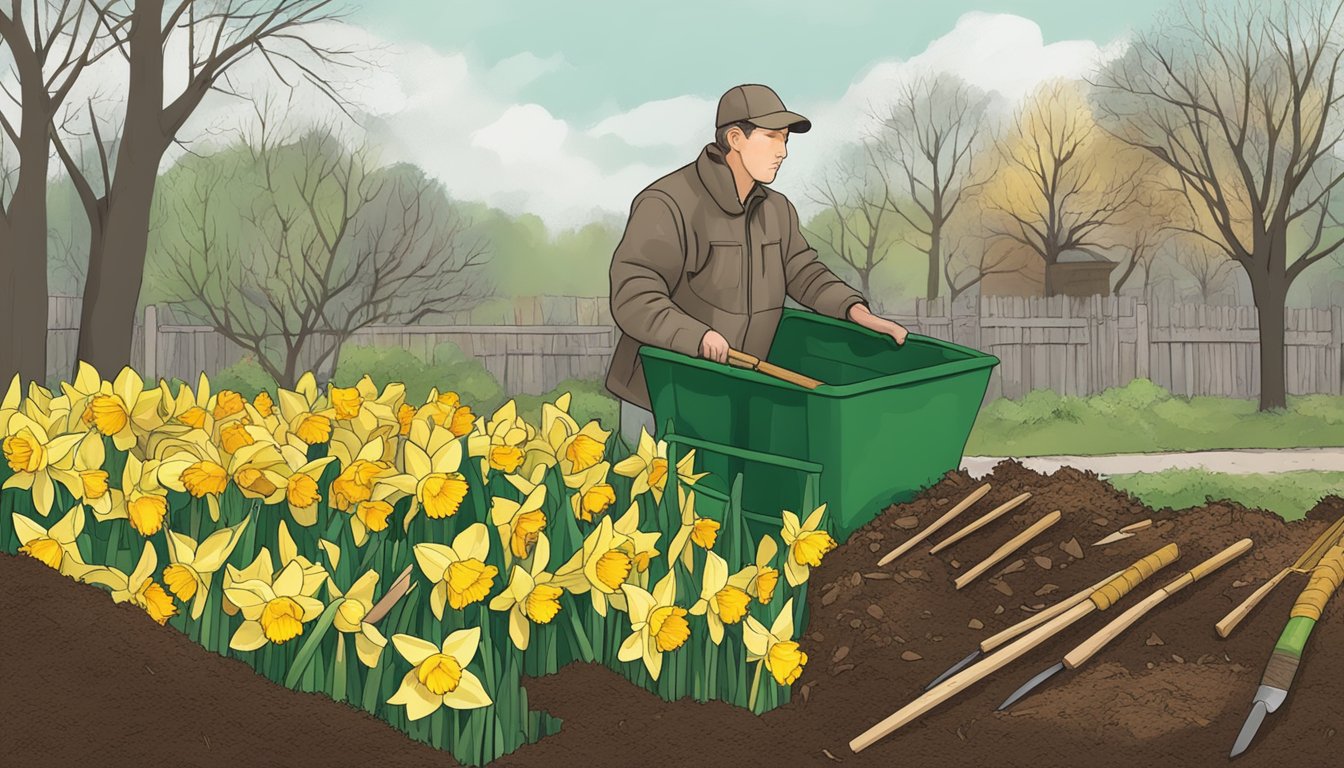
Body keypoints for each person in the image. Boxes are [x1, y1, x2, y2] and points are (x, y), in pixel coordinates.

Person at [604, 83, 909, 448]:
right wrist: (696, 337)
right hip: (660, 395)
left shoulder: (776, 210)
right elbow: (634, 295)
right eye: (771, 138)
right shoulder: (667, 203)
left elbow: (803, 271)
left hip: (732, 395)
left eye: (785, 140)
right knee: (662, 503)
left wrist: (854, 310)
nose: (782, 152)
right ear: (735, 138)